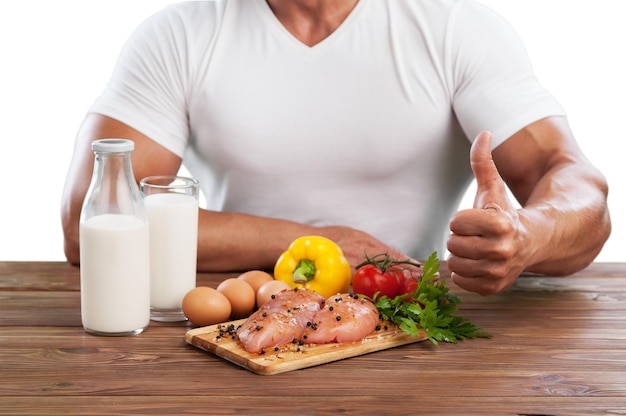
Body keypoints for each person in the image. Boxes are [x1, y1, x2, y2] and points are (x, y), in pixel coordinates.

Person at [61, 0, 611, 296]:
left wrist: (527, 236)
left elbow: (574, 183)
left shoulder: (457, 28)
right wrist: (316, 243)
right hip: (235, 316)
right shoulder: (177, 34)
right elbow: (91, 219)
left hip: (406, 318)